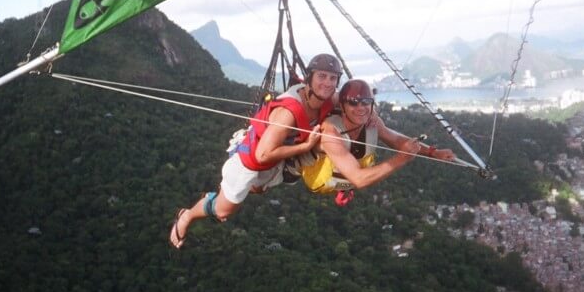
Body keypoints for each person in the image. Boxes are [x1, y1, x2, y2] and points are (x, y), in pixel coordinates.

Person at [169, 54, 344, 248]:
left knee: (258, 189)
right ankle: (188, 214)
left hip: (274, 159)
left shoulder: (328, 98)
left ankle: (227, 192)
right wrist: (305, 146)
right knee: (223, 211)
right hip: (249, 160)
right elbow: (262, 155)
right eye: (322, 76)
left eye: (332, 78)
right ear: (310, 77)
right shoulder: (288, 113)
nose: (327, 83)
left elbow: (354, 106)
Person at [294, 79, 456, 199]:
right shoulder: (330, 132)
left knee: (370, 137)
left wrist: (432, 152)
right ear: (342, 106)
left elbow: (395, 139)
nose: (360, 108)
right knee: (354, 169)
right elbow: (358, 179)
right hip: (322, 180)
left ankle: (345, 184)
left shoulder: (372, 120)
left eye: (366, 102)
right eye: (353, 103)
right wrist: (401, 159)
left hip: (348, 174)